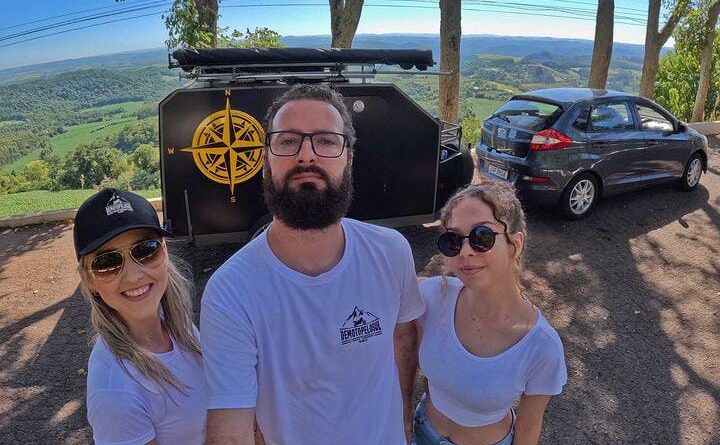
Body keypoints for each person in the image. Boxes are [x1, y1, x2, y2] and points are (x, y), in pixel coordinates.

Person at [200, 84, 426, 445]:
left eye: (325, 140)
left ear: (348, 157)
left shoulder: (390, 252)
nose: (306, 155)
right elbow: (230, 425)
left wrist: (402, 418)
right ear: (265, 160)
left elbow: (403, 338)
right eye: (289, 141)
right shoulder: (230, 292)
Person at [413, 182, 567, 445]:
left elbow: (528, 429)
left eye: (482, 236)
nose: (465, 251)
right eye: (452, 241)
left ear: (515, 244)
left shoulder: (542, 346)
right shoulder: (432, 296)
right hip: (421, 432)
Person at [74, 188, 206, 445]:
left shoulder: (175, 324)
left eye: (146, 250)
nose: (134, 275)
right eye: (107, 263)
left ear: (164, 251)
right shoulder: (114, 391)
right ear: (88, 279)